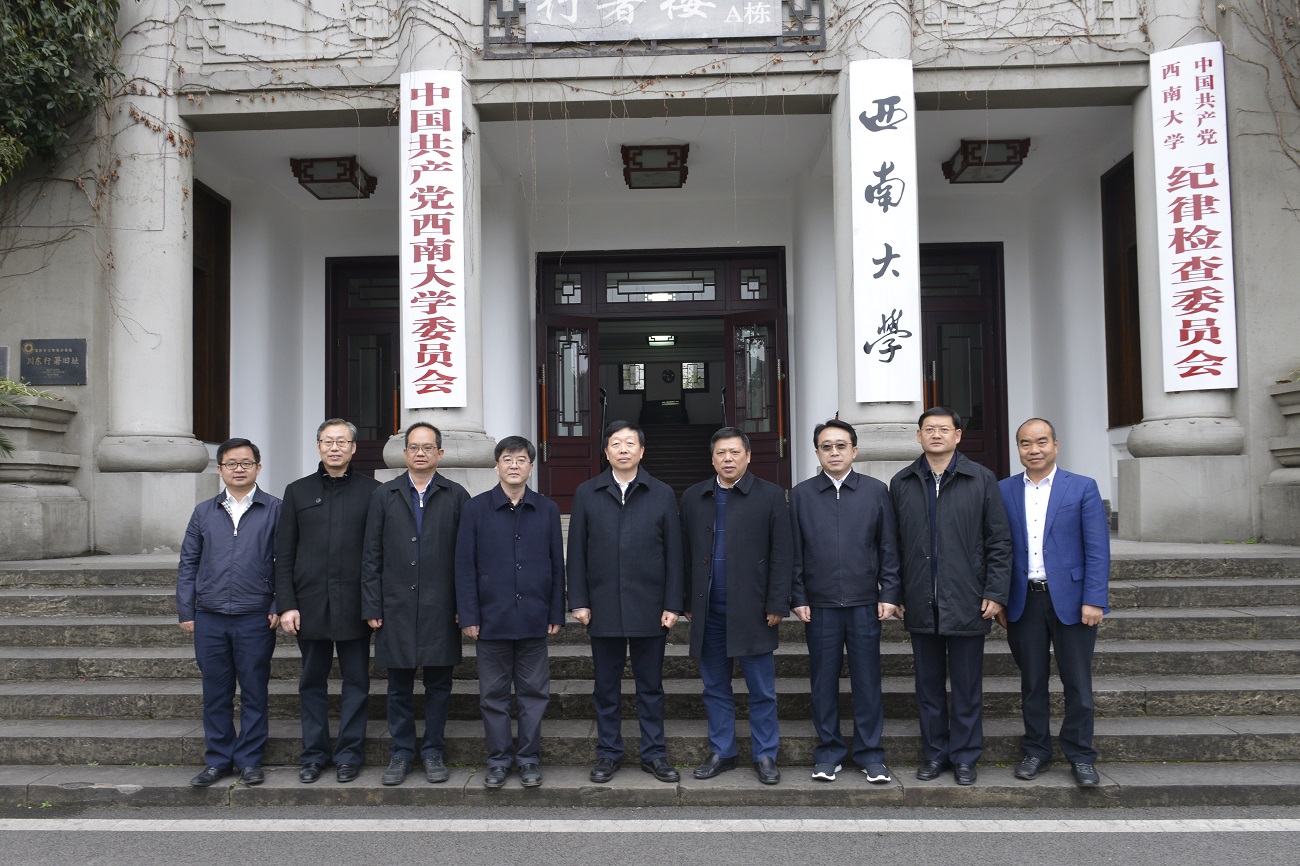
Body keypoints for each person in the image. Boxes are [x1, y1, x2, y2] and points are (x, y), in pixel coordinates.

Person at [890, 407, 1011, 786]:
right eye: (929, 429)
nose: (936, 435)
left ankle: (965, 756)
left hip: (968, 599)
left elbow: (999, 541)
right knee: (927, 687)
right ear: (919, 436)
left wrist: (996, 592)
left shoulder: (981, 479)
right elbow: (893, 546)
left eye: (944, 429)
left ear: (958, 435)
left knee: (966, 686)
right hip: (920, 599)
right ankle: (934, 754)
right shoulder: (903, 482)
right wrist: (896, 591)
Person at [567, 421, 685, 785]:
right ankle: (608, 753)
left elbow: (674, 553)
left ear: (642, 451)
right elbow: (577, 551)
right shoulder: (587, 492)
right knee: (606, 688)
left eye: (630, 443)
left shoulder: (661, 493)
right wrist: (579, 600)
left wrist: (673, 604)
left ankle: (654, 754)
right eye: (616, 443)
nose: (623, 449)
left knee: (651, 687)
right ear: (606, 452)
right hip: (603, 605)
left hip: (650, 606)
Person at [997, 418, 1111, 787]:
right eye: (1025, 443)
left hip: (1073, 601)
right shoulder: (1003, 490)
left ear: (1055, 445)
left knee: (1077, 683)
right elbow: (997, 549)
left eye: (1041, 442)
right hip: (1023, 601)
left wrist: (1094, 598)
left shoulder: (1082, 487)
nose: (1034, 450)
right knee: (1032, 683)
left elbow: (1097, 549)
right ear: (1018, 448)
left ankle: (1081, 755)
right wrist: (999, 598)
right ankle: (1036, 751)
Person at [790, 419, 901, 784]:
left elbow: (888, 547)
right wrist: (798, 595)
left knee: (867, 681)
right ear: (817, 452)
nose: (834, 452)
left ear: (855, 451)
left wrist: (889, 593)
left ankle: (870, 755)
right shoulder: (802, 495)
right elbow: (794, 552)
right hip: (819, 605)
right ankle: (829, 752)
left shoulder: (875, 491)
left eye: (841, 446)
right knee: (823, 683)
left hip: (864, 603)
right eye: (826, 447)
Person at [680, 426, 793, 785]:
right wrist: (686, 601)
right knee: (715, 687)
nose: (727, 459)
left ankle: (765, 754)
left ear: (748, 456)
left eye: (734, 452)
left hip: (754, 611)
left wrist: (777, 602)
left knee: (762, 689)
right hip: (708, 611)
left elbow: (782, 554)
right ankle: (723, 751)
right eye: (721, 453)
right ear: (712, 458)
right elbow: (684, 554)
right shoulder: (695, 497)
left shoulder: (771, 496)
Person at [362, 422, 469, 786]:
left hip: (442, 606)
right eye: (414, 447)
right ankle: (401, 752)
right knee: (398, 687)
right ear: (404, 452)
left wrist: (464, 604)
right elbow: (371, 554)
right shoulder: (384, 494)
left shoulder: (456, 495)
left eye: (428, 447)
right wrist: (372, 604)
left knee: (439, 685)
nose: (420, 453)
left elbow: (466, 557)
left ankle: (434, 750)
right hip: (396, 605)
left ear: (440, 453)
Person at [455, 436, 565, 789]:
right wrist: (469, 615)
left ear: (531, 467)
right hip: (491, 619)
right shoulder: (475, 509)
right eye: (507, 459)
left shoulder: (546, 509)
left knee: (534, 695)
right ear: (497, 466)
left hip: (534, 618)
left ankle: (529, 759)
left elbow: (556, 565)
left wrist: (556, 612)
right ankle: (499, 760)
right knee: (493, 697)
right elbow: (464, 566)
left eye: (521, 460)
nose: (514, 465)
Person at [275, 419, 380, 784]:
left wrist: (374, 604)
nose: (335, 447)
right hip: (309, 603)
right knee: (311, 682)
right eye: (328, 441)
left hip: (355, 604)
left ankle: (349, 754)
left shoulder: (373, 492)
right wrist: (286, 604)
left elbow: (378, 553)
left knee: (357, 682)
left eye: (342, 441)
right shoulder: (298, 491)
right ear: (318, 446)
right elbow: (284, 554)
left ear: (354, 447)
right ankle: (314, 755)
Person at [177, 438, 281, 788]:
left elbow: (287, 562)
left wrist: (277, 604)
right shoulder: (203, 512)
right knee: (215, 693)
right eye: (231, 463)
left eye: (246, 463)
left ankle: (250, 760)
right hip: (210, 615)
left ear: (258, 468)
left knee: (254, 691)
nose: (239, 469)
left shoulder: (275, 509)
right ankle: (218, 760)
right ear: (219, 469)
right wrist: (186, 610)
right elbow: (188, 563)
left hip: (256, 615)